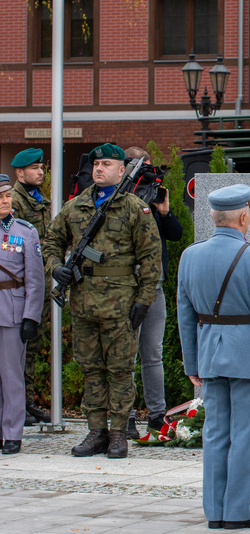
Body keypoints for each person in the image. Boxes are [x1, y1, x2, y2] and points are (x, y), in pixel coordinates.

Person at [177, 184, 250, 530]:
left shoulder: (189, 256)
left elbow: (185, 314)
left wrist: (191, 362)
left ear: (212, 217)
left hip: (210, 354)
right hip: (248, 358)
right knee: (246, 435)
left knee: (214, 433)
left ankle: (215, 511)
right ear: (243, 216)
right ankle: (238, 510)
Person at [43, 143, 162, 459]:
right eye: (96, 164)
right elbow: (51, 241)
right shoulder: (76, 206)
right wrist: (57, 267)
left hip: (121, 303)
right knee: (91, 368)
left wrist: (144, 300)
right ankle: (96, 431)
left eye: (107, 164)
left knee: (121, 369)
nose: (99, 169)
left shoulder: (135, 208)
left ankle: (119, 433)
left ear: (122, 170)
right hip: (84, 302)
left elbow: (151, 257)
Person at [123, 146, 184, 439]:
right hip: (126, 286)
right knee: (127, 355)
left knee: (153, 354)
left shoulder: (154, 196)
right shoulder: (118, 199)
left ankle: (157, 415)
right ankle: (127, 416)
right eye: (140, 169)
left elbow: (175, 234)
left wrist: (165, 211)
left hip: (154, 286)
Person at [0, 174, 45, 454]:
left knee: (11, 376)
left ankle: (13, 432)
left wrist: (32, 317)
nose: (4, 202)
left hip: (12, 312)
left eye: (6, 196)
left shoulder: (25, 232)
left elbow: (35, 281)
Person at [9, 148, 52, 426]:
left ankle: (26, 402)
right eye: (34, 168)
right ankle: (17, 405)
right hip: (20, 287)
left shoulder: (39, 199)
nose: (40, 172)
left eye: (41, 168)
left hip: (40, 282)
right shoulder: (14, 201)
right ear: (19, 172)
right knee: (17, 350)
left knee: (32, 348)